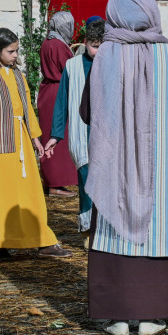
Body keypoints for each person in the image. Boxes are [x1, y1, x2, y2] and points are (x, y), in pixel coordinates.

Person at [80, 0, 168, 335]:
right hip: (159, 168)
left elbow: (87, 112)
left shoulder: (106, 56)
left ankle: (116, 317)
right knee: (158, 228)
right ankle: (152, 316)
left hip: (114, 166)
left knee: (114, 232)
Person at [0, 28, 71, 260]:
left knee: (31, 194)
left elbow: (27, 109)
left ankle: (43, 241)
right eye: (10, 51)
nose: (15, 55)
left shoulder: (19, 75)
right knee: (0, 195)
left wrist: (35, 138)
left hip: (21, 141)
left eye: (16, 51)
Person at [44, 17, 106, 245]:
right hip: (84, 133)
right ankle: (90, 230)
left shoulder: (115, 64)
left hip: (109, 135)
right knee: (87, 180)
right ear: (86, 42)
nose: (97, 51)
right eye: (93, 45)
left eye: (102, 45)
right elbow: (62, 102)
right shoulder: (73, 66)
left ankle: (108, 229)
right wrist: (55, 135)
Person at [38, 12, 78, 197]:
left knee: (48, 135)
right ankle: (56, 184)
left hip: (47, 91)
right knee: (57, 138)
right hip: (58, 92)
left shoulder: (47, 42)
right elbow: (69, 68)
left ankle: (51, 181)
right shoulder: (58, 44)